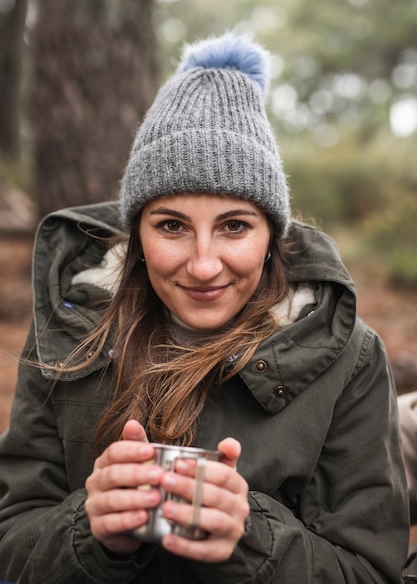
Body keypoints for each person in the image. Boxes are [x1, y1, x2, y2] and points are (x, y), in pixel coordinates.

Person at [0, 31, 410, 583]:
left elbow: (369, 569)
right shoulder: (70, 327)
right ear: (137, 234)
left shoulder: (351, 360)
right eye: (171, 225)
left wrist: (251, 537)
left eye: (234, 226)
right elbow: (11, 539)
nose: (202, 265)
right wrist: (87, 528)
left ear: (272, 236)